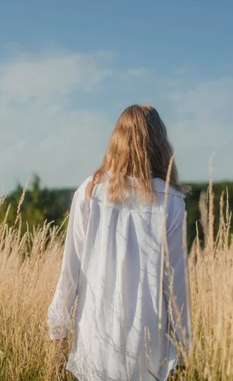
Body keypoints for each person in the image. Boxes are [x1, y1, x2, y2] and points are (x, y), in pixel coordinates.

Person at [47, 104, 192, 380]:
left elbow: (71, 268)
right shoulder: (171, 201)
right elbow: (176, 284)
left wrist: (59, 330)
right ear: (160, 143)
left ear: (117, 140)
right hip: (148, 344)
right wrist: (183, 348)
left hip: (95, 336)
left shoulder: (90, 191)